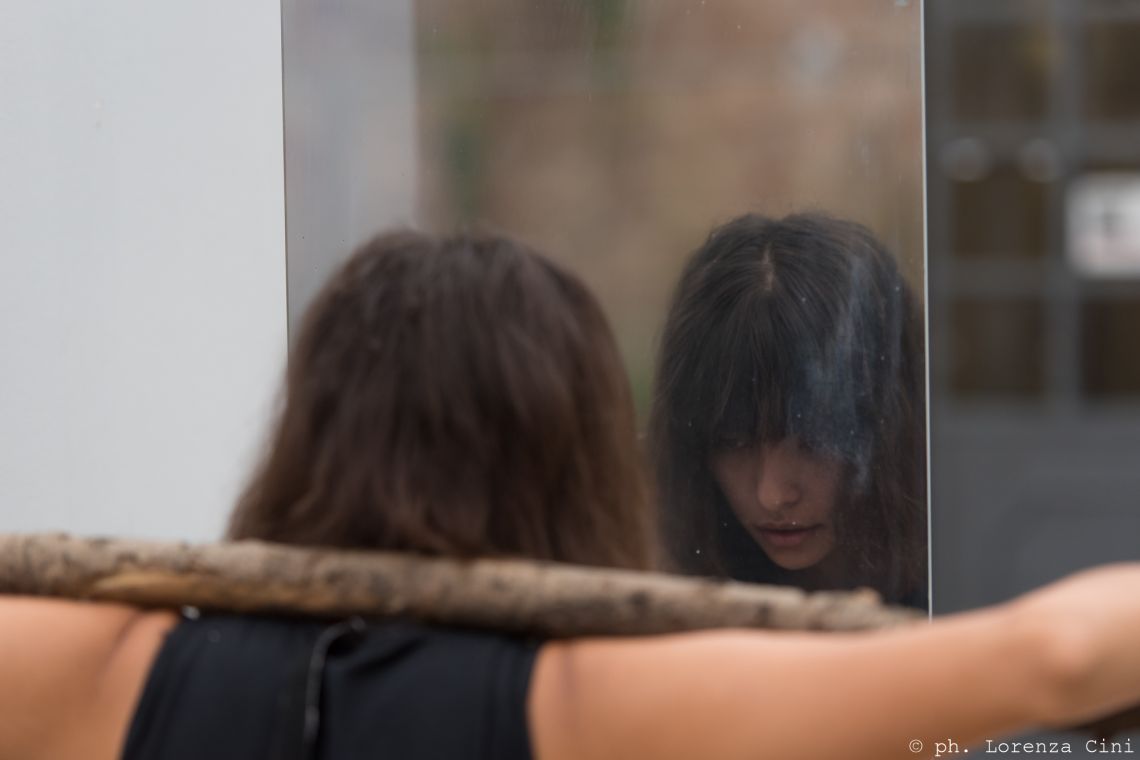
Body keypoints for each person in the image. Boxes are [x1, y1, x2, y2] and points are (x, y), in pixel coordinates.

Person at [2, 229, 1140, 760]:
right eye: (736, 441)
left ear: (306, 432)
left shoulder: (102, 671)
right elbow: (1057, 653)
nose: (775, 485)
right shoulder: (594, 708)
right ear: (577, 458)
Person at [651, 212, 927, 606]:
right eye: (733, 442)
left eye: (815, 439)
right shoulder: (675, 604)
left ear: (891, 427)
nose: (772, 495)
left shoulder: (960, 589)